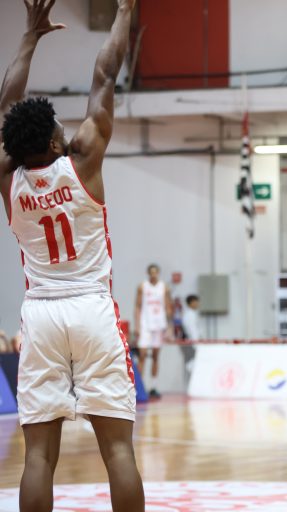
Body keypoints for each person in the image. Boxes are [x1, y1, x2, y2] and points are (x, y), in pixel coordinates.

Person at [0, 1, 144, 510]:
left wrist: (29, 39)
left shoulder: (8, 179)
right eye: (59, 125)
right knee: (118, 450)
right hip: (91, 308)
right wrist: (125, 10)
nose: (65, 127)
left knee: (38, 457)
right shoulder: (82, 160)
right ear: (54, 139)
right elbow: (104, 74)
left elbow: (6, 107)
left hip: (40, 315)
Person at [134, 263, 172, 399]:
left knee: (156, 356)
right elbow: (138, 306)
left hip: (159, 324)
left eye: (155, 272)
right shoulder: (142, 286)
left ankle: (153, 387)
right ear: (148, 273)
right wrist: (137, 326)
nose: (153, 274)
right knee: (142, 355)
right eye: (151, 272)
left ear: (158, 273)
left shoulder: (164, 287)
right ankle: (139, 387)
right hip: (145, 324)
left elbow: (168, 307)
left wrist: (169, 327)